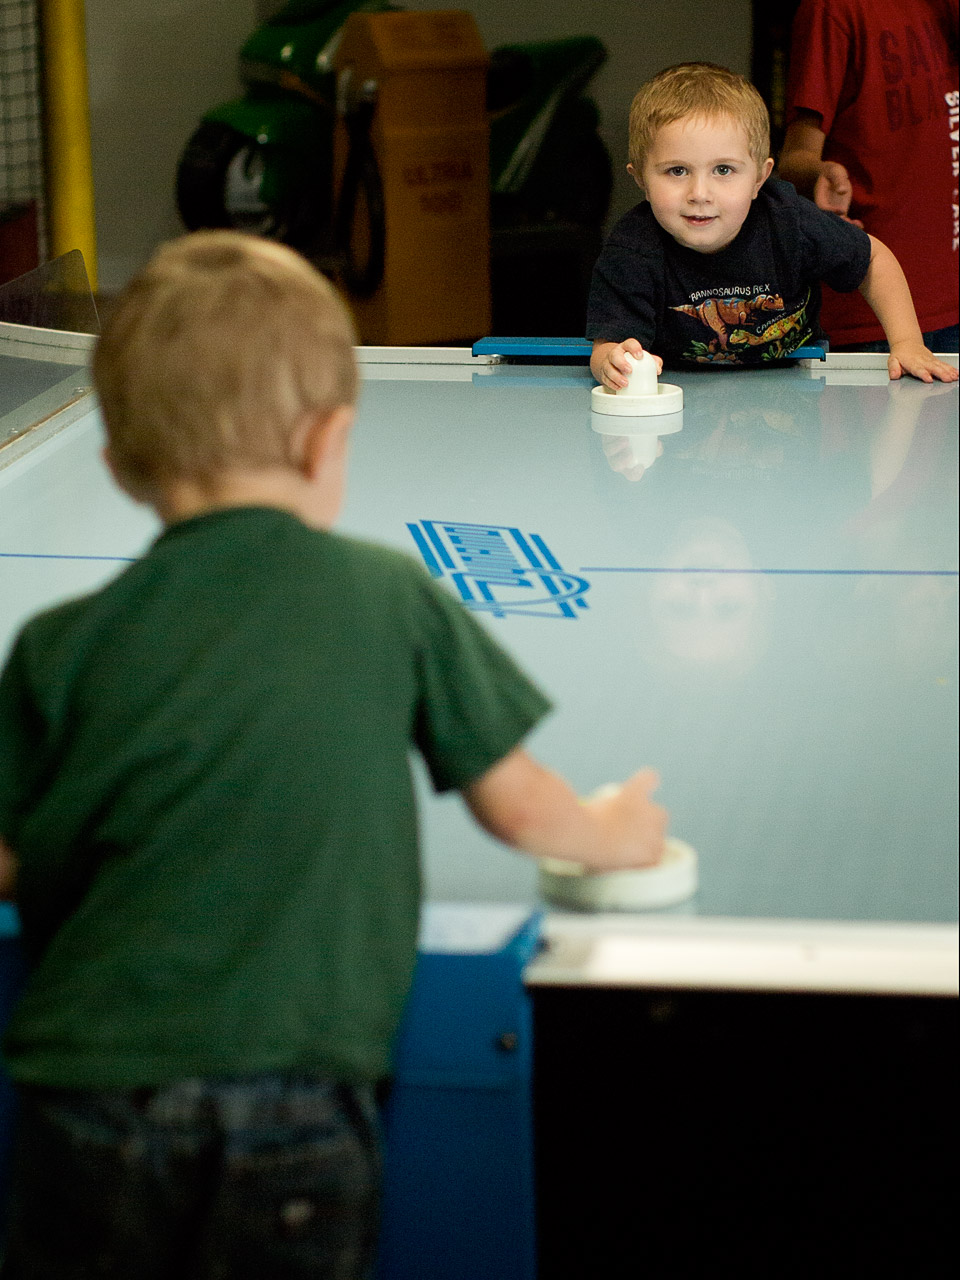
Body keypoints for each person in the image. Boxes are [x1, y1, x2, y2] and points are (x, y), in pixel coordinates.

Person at [0, 231, 668, 1280]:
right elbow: (521, 805)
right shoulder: (388, 593)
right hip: (298, 1096)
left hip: (84, 1090)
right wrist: (616, 832)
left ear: (122, 463)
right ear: (328, 444)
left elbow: (9, 857)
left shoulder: (57, 643)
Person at [586, 62, 958, 388]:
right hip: (683, 402)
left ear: (760, 179)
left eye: (724, 170)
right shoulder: (630, 250)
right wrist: (612, 362)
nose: (700, 193)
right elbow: (607, 346)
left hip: (797, 388)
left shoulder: (789, 220)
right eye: (677, 170)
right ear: (640, 180)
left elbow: (872, 258)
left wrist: (908, 342)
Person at [778, 0, 958, 354]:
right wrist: (820, 174)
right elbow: (793, 160)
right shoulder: (832, 9)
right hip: (871, 314)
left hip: (951, 304)